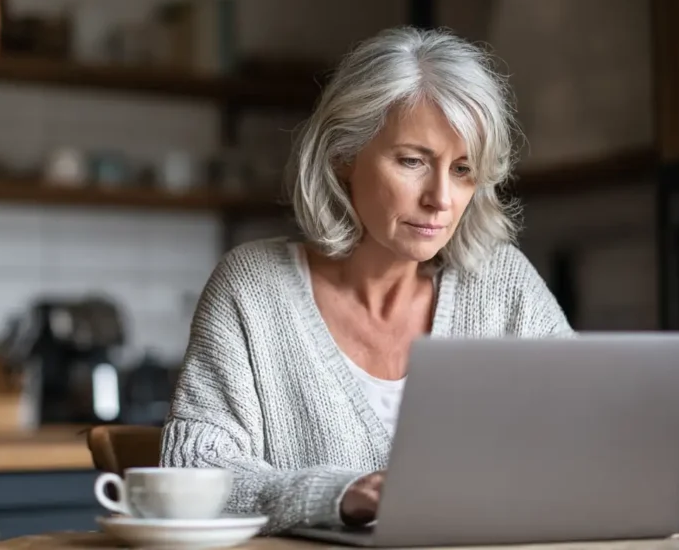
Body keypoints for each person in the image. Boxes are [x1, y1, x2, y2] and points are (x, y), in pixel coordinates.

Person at [159, 26, 572, 534]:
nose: (441, 198)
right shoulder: (252, 290)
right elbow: (195, 475)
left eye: (463, 170)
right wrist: (337, 495)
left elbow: (588, 439)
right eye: (413, 161)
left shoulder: (503, 284)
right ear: (342, 158)